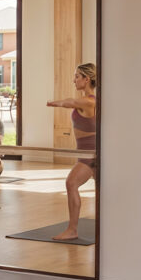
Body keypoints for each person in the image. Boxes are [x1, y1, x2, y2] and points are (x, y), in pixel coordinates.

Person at [46, 63, 99, 243]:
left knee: (71, 183)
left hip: (90, 154)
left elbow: (71, 102)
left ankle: (72, 230)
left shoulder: (90, 101)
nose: (73, 80)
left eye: (77, 76)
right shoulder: (89, 100)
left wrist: (56, 103)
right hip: (88, 152)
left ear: (87, 79)